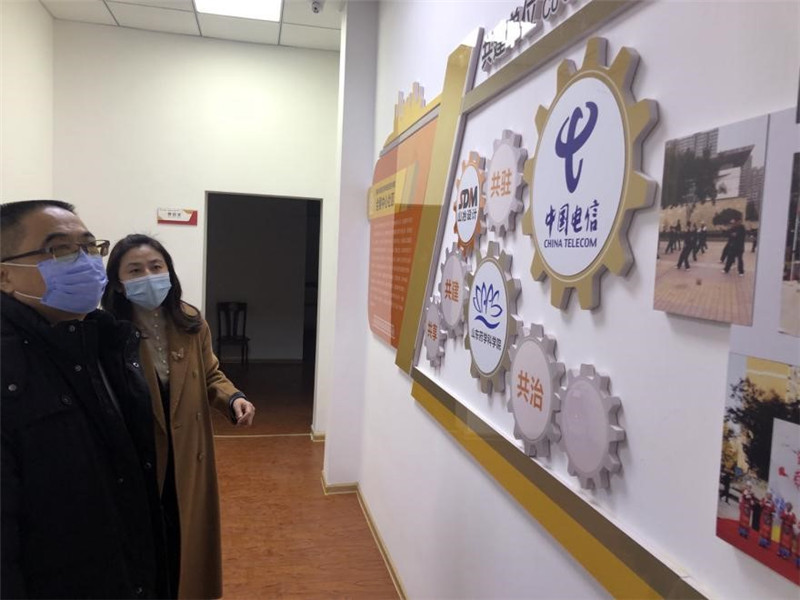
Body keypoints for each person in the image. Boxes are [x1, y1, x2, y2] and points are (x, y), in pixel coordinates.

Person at [0, 200, 166, 598]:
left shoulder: (104, 343)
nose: (86, 261)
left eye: (90, 247)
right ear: (5, 275)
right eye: (59, 249)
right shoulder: (9, 371)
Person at [102, 234, 256, 600]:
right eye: (135, 270)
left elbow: (211, 373)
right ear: (119, 284)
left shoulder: (190, 321)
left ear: (169, 272)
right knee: (145, 535)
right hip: (138, 451)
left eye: (156, 267)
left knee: (183, 532)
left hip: (187, 450)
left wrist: (233, 398)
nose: (149, 276)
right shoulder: (108, 331)